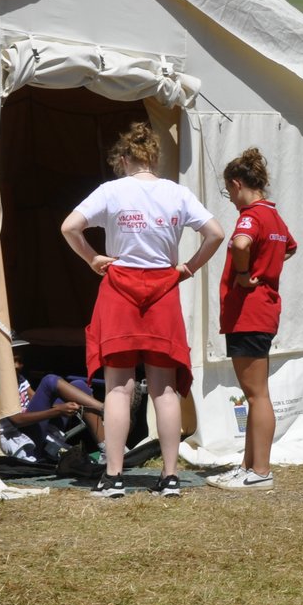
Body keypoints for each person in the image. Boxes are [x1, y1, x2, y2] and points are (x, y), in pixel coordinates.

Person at [60, 122, 224, 498]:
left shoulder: (111, 191)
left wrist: (92, 258)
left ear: (123, 159)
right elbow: (215, 232)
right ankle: (169, 477)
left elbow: (70, 226)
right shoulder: (176, 193)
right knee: (164, 389)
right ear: (153, 158)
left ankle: (114, 476)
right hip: (163, 288)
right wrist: (188, 267)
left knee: (118, 388)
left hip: (119, 288)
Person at [207, 148, 297, 491]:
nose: (231, 199)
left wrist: (245, 273)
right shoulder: (274, 216)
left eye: (229, 192)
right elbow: (289, 247)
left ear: (236, 184)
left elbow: (240, 244)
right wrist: (269, 265)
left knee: (257, 395)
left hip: (249, 312)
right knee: (253, 394)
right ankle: (248, 466)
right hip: (264, 310)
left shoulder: (251, 215)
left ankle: (260, 472)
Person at [0, 340, 105, 463]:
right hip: (21, 438)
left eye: (20, 361)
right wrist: (58, 411)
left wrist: (66, 404)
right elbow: (16, 420)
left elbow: (36, 398)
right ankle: (105, 409)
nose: (17, 365)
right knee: (49, 381)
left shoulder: (19, 378)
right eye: (13, 360)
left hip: (39, 429)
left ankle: (108, 449)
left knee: (79, 385)